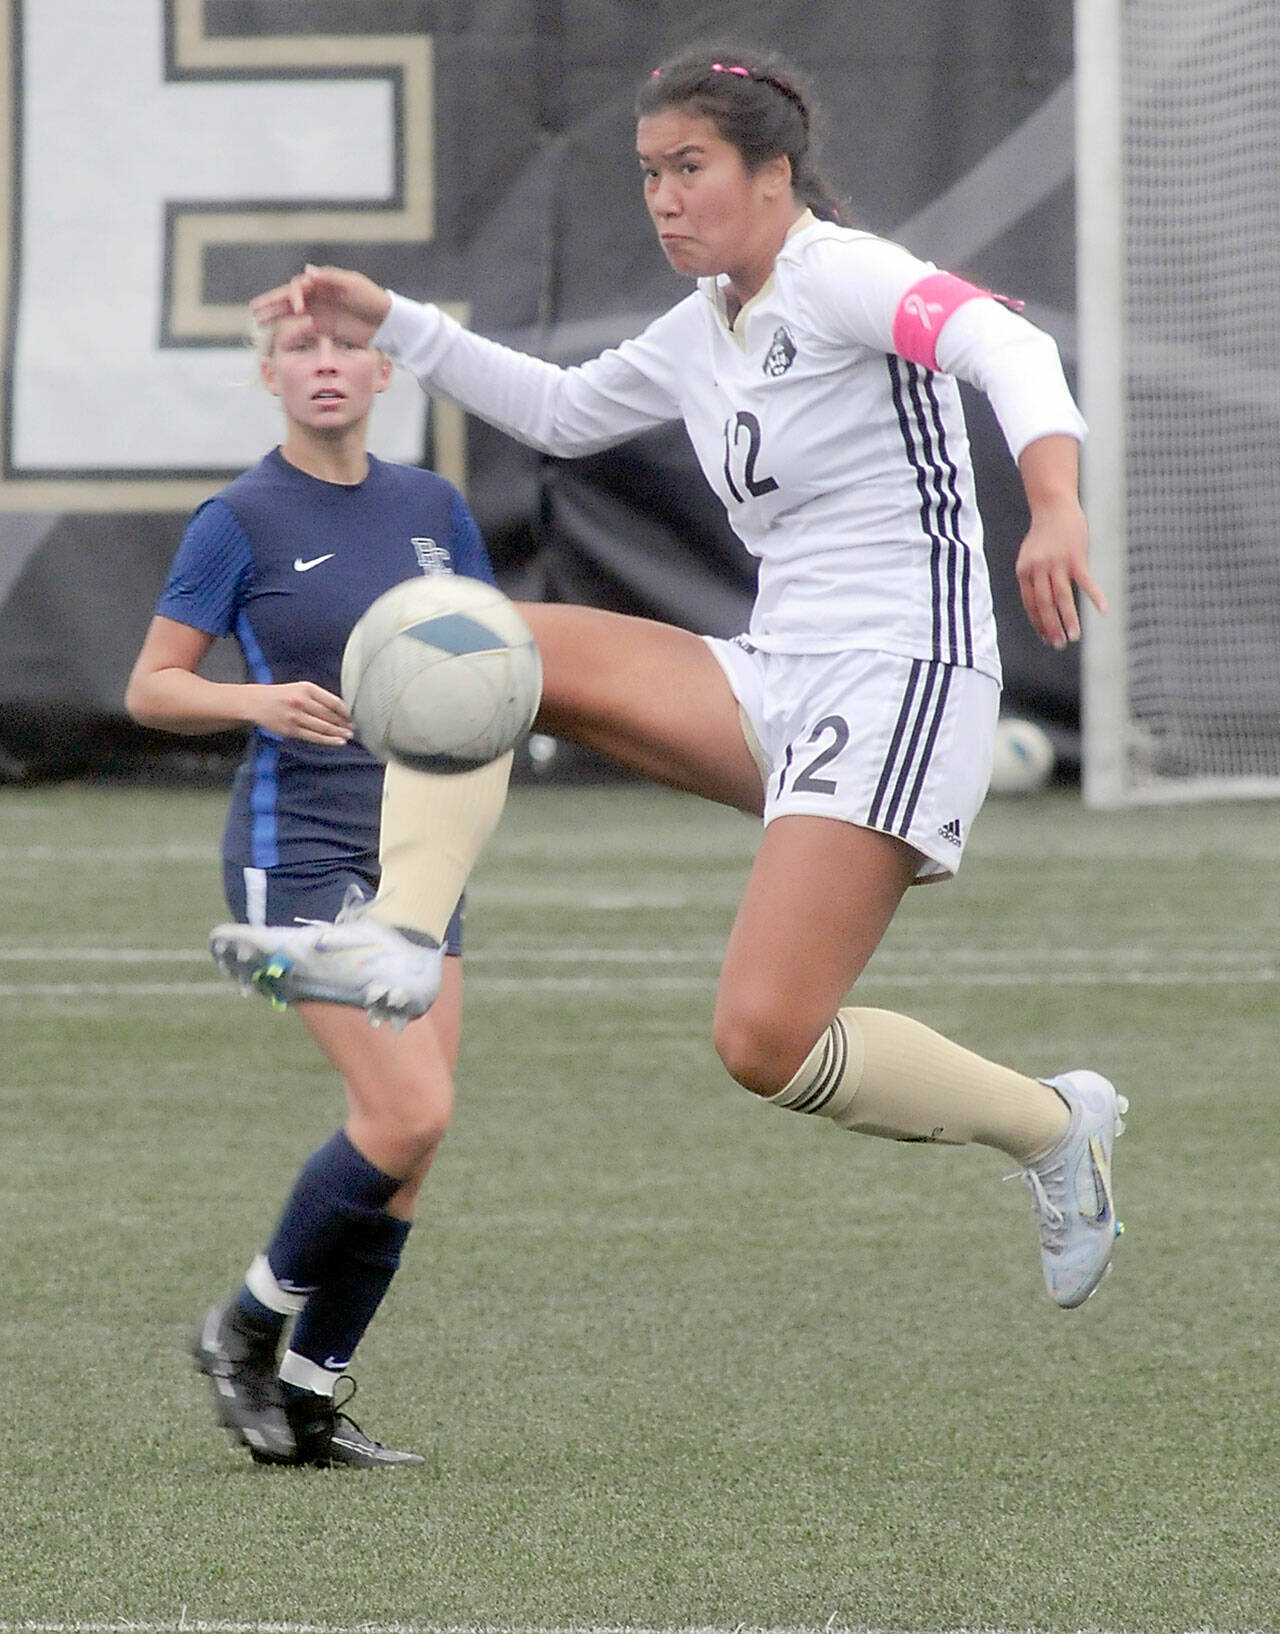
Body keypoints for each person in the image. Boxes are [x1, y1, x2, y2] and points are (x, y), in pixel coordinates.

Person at [226, 42, 1127, 1310]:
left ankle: (1049, 1125)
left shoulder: (841, 275)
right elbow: (555, 410)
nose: (660, 196)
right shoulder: (709, 320)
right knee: (480, 637)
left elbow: (1001, 347)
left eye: (687, 167)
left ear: (772, 174)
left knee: (762, 1041)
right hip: (777, 675)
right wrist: (398, 325)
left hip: (900, 684)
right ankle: (399, 940)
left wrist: (1051, 504)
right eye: (647, 171)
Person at [126, 310, 509, 1466]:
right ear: (270, 375)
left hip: (416, 853)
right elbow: (150, 687)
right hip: (293, 850)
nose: (327, 363)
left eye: (347, 346)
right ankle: (241, 1325)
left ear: (385, 369)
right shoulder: (237, 519)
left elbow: (492, 644)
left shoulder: (434, 508)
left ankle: (305, 1393)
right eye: (302, 349)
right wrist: (257, 700)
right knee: (407, 1110)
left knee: (413, 1141)